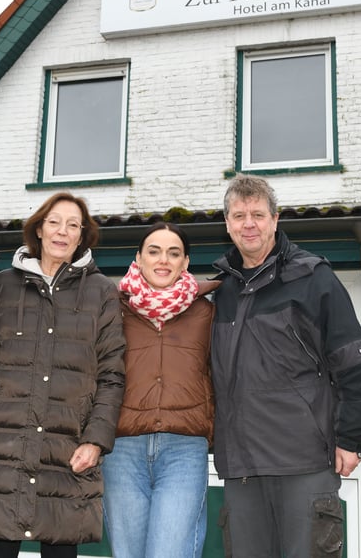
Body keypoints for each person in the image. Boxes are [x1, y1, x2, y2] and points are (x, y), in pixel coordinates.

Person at [210, 174, 361, 558]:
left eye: (258, 214)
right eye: (239, 215)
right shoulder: (220, 291)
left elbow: (360, 370)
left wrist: (350, 438)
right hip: (241, 469)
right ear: (227, 224)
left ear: (276, 219)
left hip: (304, 462)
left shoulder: (313, 278)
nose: (249, 224)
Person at [0, 192, 125, 558]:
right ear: (39, 229)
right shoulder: (1, 286)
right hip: (4, 452)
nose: (62, 232)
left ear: (82, 236)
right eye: (54, 222)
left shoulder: (102, 293)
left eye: (72, 225)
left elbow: (113, 375)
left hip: (67, 453)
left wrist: (95, 441)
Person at [102, 222, 219, 558]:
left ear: (185, 263)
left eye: (173, 253)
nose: (163, 260)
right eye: (154, 251)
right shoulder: (112, 310)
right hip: (122, 450)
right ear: (138, 259)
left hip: (184, 450)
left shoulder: (206, 313)